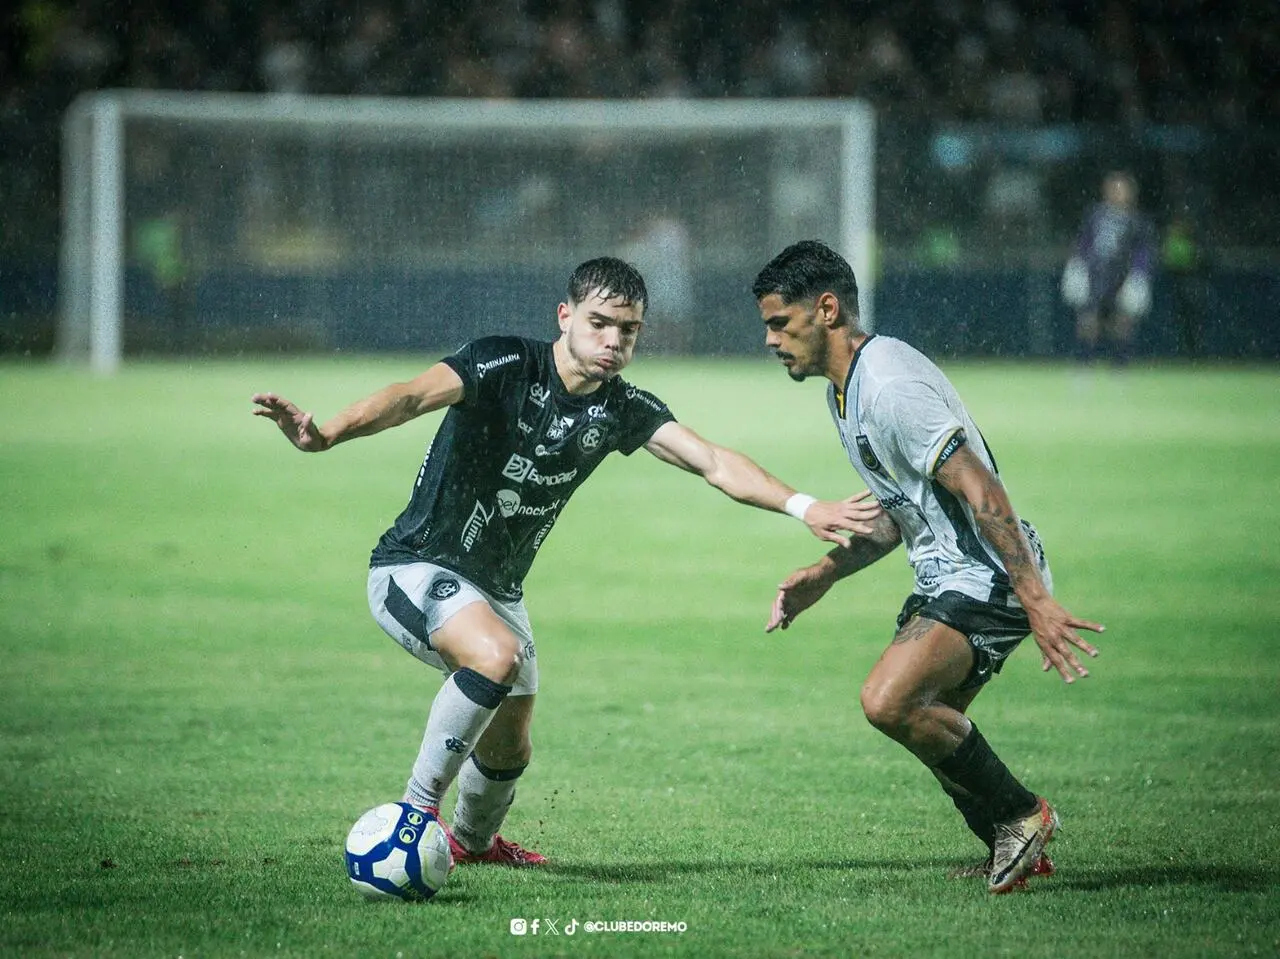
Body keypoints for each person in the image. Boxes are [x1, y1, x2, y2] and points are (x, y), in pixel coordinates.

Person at [253, 256, 880, 867]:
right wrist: (326, 432)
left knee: (511, 736)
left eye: (628, 330)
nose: (613, 342)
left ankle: (473, 845)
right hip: (414, 567)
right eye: (599, 323)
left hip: (498, 589)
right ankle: (413, 819)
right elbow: (411, 396)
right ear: (565, 316)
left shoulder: (619, 407)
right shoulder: (503, 361)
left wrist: (804, 506)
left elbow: (712, 461)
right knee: (494, 658)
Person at [753, 240, 1104, 894]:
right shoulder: (845, 392)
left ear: (826, 309)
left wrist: (1033, 597)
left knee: (890, 701)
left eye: (780, 322)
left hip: (989, 576)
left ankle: (1022, 814)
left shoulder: (887, 384)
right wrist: (823, 573)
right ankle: (1014, 842)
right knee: (934, 723)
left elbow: (982, 490)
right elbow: (901, 511)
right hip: (954, 575)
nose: (770, 338)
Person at [1060, 170, 1158, 365]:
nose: (1116, 193)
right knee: (1088, 318)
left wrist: (1139, 274)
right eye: (1113, 188)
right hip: (1096, 274)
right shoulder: (1095, 215)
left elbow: (1143, 250)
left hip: (1123, 274)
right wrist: (1076, 264)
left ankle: (1120, 363)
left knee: (1123, 319)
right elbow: (1083, 242)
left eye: (1121, 189)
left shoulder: (1137, 221)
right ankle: (1084, 361)